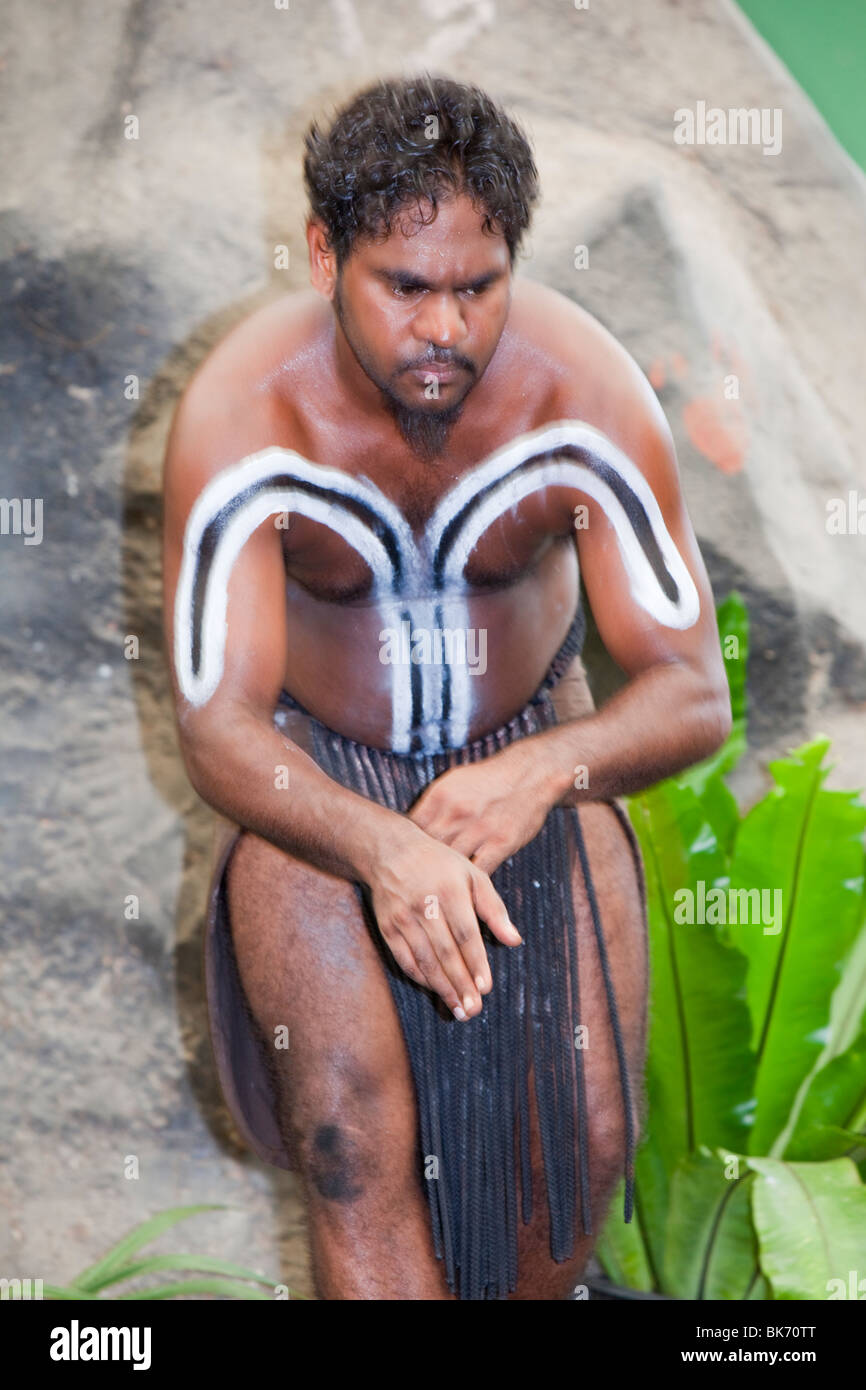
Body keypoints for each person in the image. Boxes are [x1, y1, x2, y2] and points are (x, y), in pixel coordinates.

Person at [161, 73, 731, 1300]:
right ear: (324, 254)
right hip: (311, 782)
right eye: (405, 286)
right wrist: (377, 846)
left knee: (577, 1148)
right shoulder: (242, 417)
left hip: (534, 748)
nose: (446, 328)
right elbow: (215, 721)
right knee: (347, 1147)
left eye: (477, 286)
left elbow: (690, 693)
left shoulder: (582, 398)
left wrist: (536, 772)